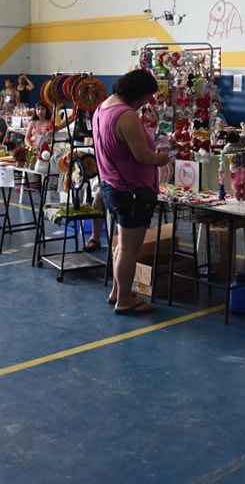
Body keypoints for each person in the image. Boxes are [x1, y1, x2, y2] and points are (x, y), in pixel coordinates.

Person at [93, 69, 169, 314]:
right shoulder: (126, 116)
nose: (146, 103)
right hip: (131, 190)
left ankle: (118, 290)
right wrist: (161, 158)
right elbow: (142, 156)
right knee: (128, 248)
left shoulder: (102, 108)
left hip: (112, 186)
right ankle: (124, 299)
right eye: (146, 98)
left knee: (121, 244)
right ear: (138, 95)